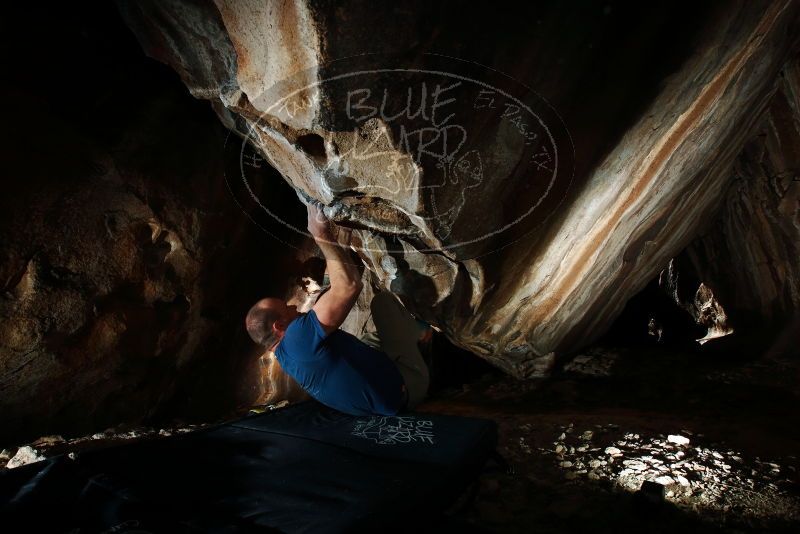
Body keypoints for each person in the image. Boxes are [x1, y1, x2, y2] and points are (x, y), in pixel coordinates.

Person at [245, 202, 430, 416]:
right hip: (408, 391)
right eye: (287, 308)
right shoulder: (296, 339)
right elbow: (349, 287)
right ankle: (423, 335)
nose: (294, 306)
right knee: (384, 305)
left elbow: (337, 288)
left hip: (379, 405)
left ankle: (406, 340)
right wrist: (320, 233)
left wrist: (342, 243)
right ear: (279, 326)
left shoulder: (287, 355)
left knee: (369, 339)